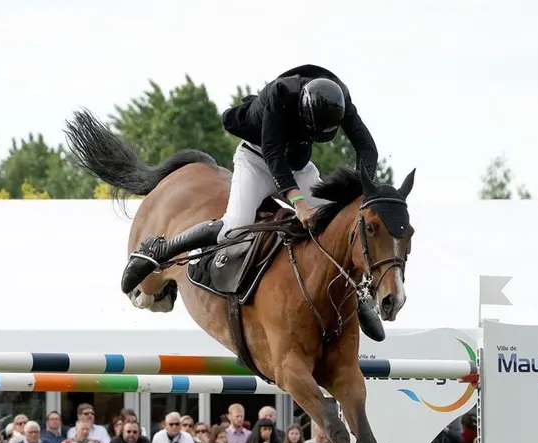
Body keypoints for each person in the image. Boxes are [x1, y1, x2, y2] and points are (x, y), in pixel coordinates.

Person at [120, 63, 380, 295]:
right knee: (234, 226)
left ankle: (359, 295)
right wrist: (299, 202)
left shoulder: (339, 100)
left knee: (338, 225)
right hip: (258, 160)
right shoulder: (280, 95)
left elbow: (367, 148)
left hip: (299, 168)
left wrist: (365, 188)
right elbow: (273, 155)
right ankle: (158, 251)